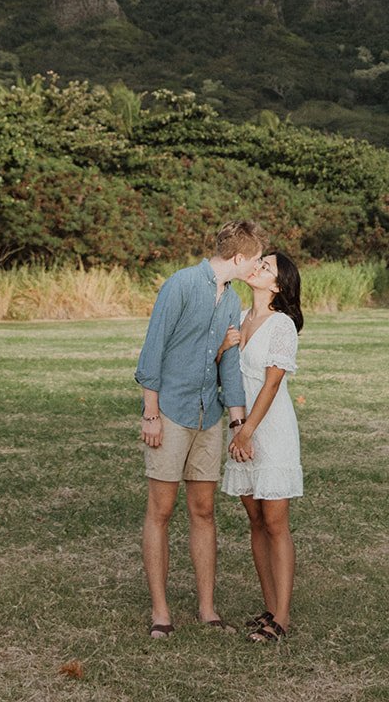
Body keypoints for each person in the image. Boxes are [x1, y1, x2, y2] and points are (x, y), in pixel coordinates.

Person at [135, 218, 266, 639]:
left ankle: (208, 609)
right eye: (258, 260)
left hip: (208, 416)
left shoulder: (230, 299)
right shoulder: (180, 284)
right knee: (161, 511)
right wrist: (151, 412)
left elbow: (227, 363)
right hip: (170, 412)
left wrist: (235, 419)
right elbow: (153, 348)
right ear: (240, 257)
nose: (259, 267)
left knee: (204, 511)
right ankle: (160, 612)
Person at [220, 251, 303, 643]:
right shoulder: (237, 318)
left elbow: (271, 385)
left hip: (269, 430)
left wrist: (248, 431)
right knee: (254, 520)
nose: (257, 266)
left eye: (266, 266)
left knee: (275, 522)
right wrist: (223, 348)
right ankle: (269, 607)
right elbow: (225, 374)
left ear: (278, 285)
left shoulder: (281, 324)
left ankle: (282, 619)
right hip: (241, 428)